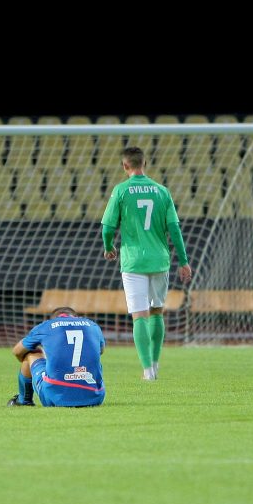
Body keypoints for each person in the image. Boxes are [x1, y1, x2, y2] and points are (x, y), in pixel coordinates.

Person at [101, 146, 192, 381]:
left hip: (133, 262)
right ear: (145, 163)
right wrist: (183, 261)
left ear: (125, 166)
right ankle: (155, 361)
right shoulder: (162, 191)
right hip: (159, 260)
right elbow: (174, 229)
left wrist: (109, 247)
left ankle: (147, 371)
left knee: (138, 315)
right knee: (157, 311)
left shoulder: (120, 191)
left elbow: (108, 228)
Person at [7, 306, 105, 407]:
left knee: (31, 352)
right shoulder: (93, 326)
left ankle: (24, 401)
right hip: (95, 397)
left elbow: (17, 351)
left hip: (55, 398)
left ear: (53, 318)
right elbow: (100, 351)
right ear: (75, 317)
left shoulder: (46, 326)